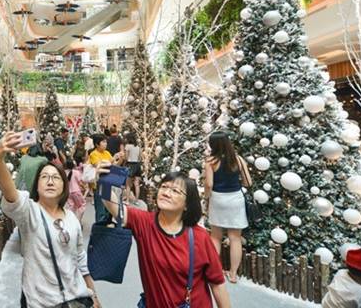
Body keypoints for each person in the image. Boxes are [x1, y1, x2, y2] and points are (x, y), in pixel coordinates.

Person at [0, 132, 100, 308]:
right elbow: (12, 196)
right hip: (42, 302)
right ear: (37, 185)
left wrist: (94, 295)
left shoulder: (72, 218)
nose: (50, 181)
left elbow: (80, 258)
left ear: (64, 186)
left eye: (56, 177)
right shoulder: (30, 212)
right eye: (44, 177)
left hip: (77, 299)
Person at [101, 171, 231, 308]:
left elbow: (217, 284)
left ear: (187, 204)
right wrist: (103, 179)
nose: (166, 193)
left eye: (175, 191)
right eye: (164, 187)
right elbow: (114, 207)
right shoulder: (144, 223)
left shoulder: (200, 237)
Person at [203, 131, 252, 284]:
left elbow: (209, 184)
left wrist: (206, 196)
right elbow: (248, 182)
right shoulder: (238, 159)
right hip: (235, 199)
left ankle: (214, 269)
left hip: (218, 199)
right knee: (235, 238)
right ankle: (233, 274)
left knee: (216, 236)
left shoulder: (210, 161)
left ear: (213, 145)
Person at [89, 134, 123, 222]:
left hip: (109, 184)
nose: (106, 144)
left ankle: (106, 229)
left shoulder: (107, 153)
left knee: (109, 211)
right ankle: (99, 231)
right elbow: (100, 166)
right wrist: (113, 159)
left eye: (106, 142)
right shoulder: (93, 154)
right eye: (103, 142)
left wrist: (120, 159)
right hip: (99, 185)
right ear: (97, 144)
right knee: (101, 211)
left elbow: (114, 166)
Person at [124, 133, 142, 203]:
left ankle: (127, 200)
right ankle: (136, 200)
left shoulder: (127, 146)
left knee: (128, 184)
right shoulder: (138, 147)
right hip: (137, 165)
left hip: (130, 165)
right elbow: (139, 158)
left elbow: (126, 157)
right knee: (136, 184)